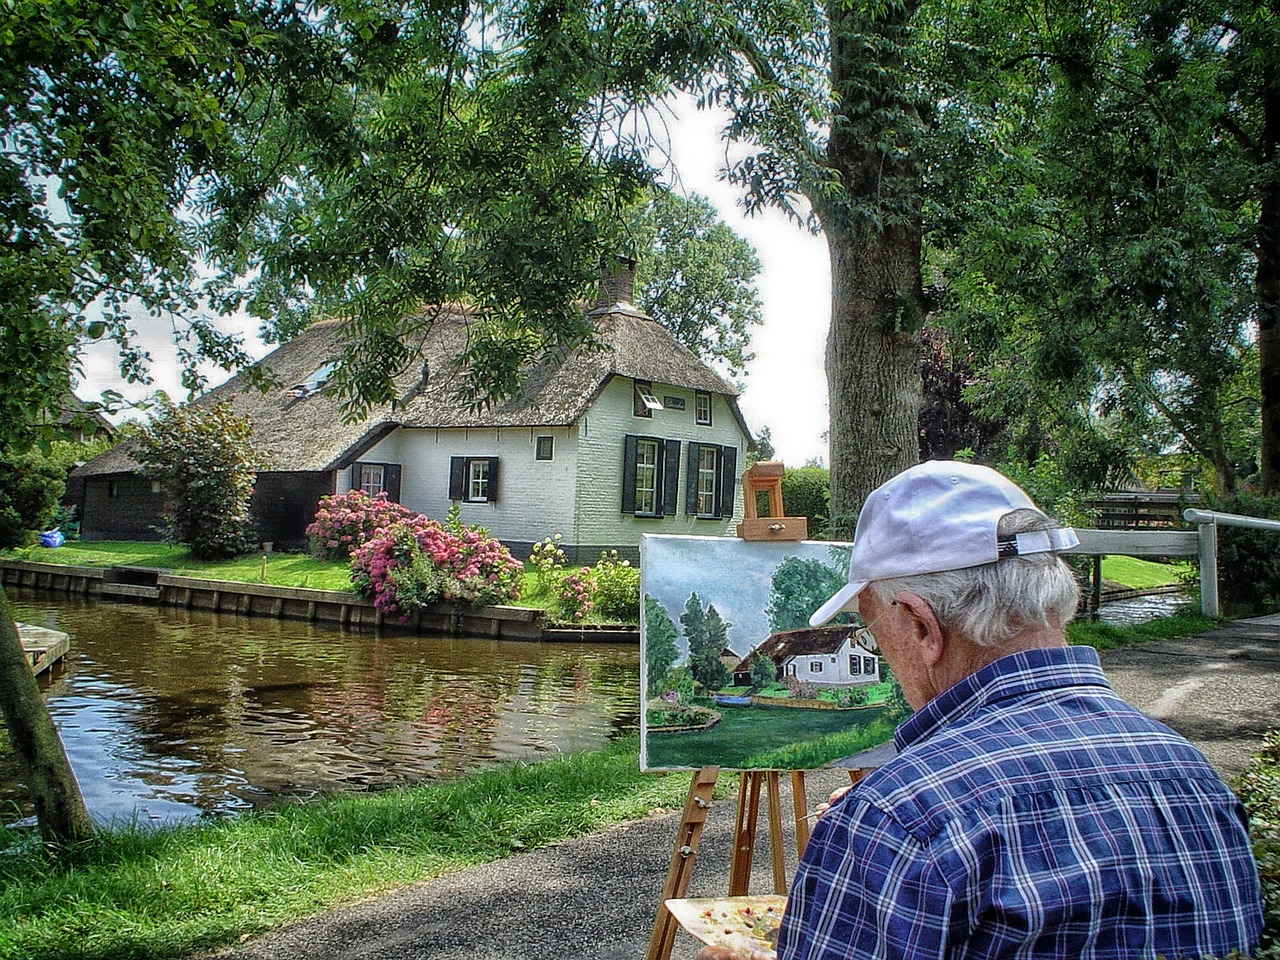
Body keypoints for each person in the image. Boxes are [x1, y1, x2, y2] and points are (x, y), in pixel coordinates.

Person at [773, 460, 1262, 960]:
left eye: (873, 631)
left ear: (920, 625)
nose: (883, 657)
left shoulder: (897, 818)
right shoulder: (1193, 775)